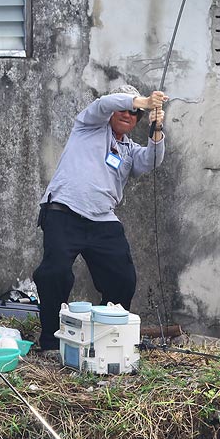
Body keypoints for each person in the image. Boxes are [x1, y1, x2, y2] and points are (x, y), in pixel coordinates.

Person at [33, 84, 166, 354]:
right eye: (124, 109)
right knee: (55, 273)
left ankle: (106, 337)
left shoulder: (128, 149)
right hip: (64, 209)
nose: (128, 115)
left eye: (134, 113)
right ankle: (50, 340)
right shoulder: (89, 125)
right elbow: (104, 103)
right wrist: (141, 101)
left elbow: (150, 161)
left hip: (103, 219)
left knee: (123, 279)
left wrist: (156, 130)